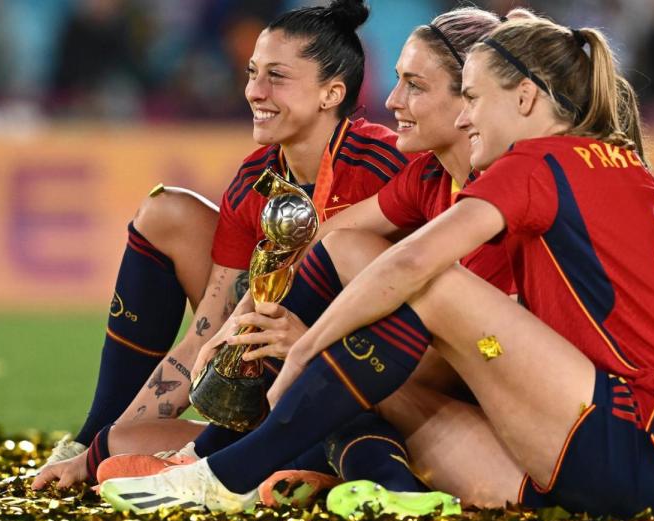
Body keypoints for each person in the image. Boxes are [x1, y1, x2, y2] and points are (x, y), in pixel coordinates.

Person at [99, 13, 654, 518]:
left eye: (474, 99)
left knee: (426, 283)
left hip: (629, 439)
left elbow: (414, 262)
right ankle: (364, 478)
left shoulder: (535, 165)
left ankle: (227, 471)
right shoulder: (603, 165)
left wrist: (307, 347)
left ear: (526, 99)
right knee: (367, 295)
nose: (464, 115)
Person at [32, 0, 411, 490]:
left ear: (331, 92)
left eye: (277, 76)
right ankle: (253, 463)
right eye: (252, 72)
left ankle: (298, 467)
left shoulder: (385, 167)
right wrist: (94, 448)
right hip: (275, 393)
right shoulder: (253, 181)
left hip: (368, 386)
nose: (254, 91)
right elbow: (208, 334)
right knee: (113, 451)